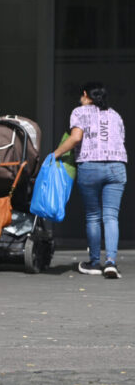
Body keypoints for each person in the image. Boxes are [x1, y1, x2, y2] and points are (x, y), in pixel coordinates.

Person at [53, 82, 127, 278]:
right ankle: (111, 262)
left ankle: (94, 262)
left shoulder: (80, 111)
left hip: (90, 166)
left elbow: (76, 137)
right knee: (111, 216)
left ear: (86, 95)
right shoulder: (115, 115)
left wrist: (56, 154)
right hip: (116, 166)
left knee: (93, 216)